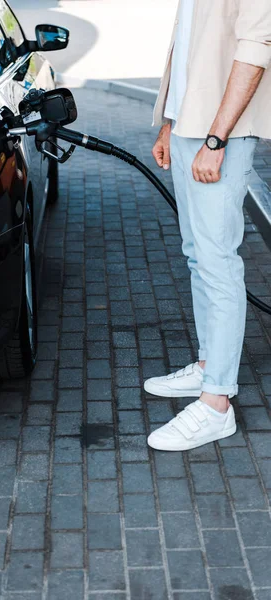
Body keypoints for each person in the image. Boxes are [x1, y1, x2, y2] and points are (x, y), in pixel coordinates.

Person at [145, 0, 271, 451]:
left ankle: (217, 402)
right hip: (187, 127)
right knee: (198, 254)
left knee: (217, 261)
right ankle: (206, 364)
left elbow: (257, 47)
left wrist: (216, 140)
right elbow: (186, 46)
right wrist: (169, 123)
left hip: (222, 134)